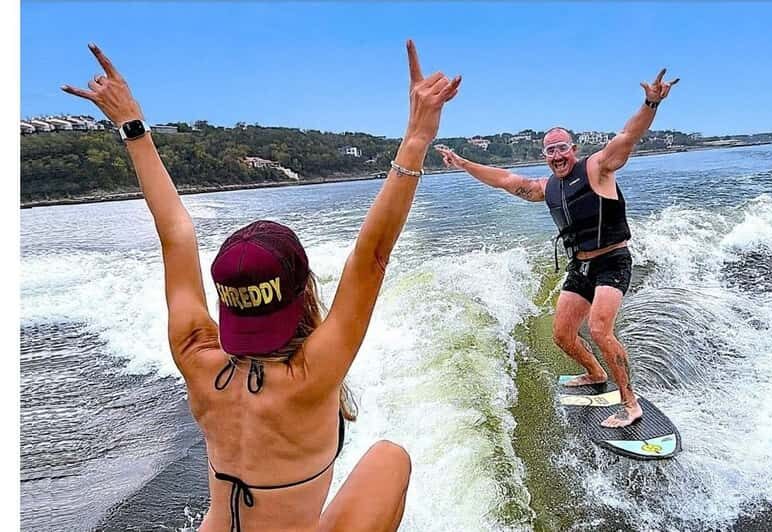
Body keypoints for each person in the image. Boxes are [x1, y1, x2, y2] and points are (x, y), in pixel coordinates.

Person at [63, 40, 461, 531]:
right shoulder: (310, 376)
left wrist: (132, 125)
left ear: (226, 304)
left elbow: (175, 234)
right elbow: (372, 256)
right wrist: (417, 136)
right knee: (390, 458)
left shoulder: (196, 356)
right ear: (303, 291)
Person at [435, 70, 678, 428]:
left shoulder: (598, 168)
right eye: (550, 150)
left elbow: (628, 135)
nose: (557, 154)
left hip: (612, 261)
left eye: (562, 147)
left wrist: (651, 103)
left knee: (599, 329)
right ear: (545, 156)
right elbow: (503, 180)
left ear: (573, 150)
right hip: (580, 267)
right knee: (563, 334)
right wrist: (462, 163)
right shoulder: (545, 188)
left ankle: (630, 402)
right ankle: (595, 373)